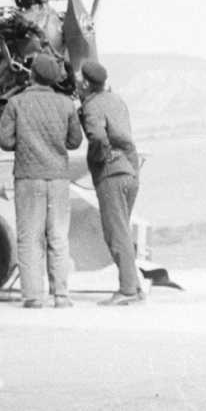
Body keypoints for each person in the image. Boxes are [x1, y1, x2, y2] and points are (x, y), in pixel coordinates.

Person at [0, 53, 84, 309]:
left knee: (30, 237)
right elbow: (75, 141)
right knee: (58, 236)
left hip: (28, 178)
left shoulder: (15, 103)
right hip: (57, 179)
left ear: (31, 74)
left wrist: (23, 144)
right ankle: (61, 295)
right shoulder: (66, 103)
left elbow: (4, 141)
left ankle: (33, 296)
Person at [79, 60, 143, 305]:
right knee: (122, 233)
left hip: (112, 174)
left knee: (116, 235)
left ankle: (127, 291)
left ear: (85, 83)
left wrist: (99, 158)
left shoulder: (92, 107)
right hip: (130, 172)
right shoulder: (117, 100)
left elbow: (97, 137)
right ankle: (135, 287)